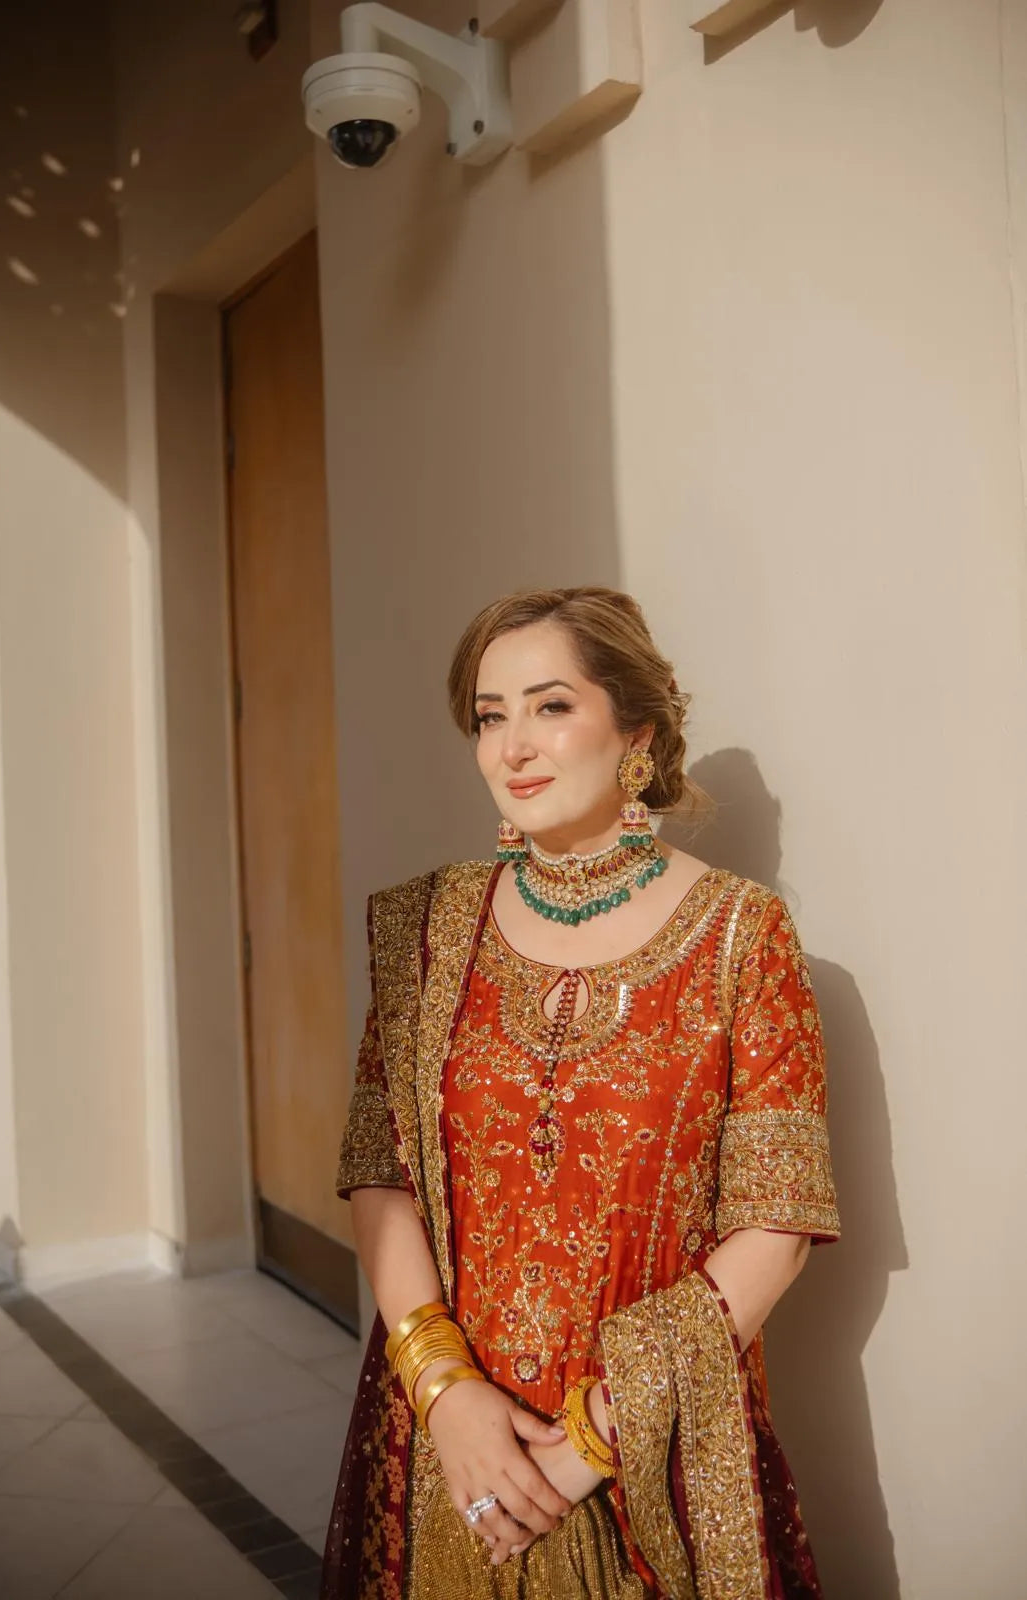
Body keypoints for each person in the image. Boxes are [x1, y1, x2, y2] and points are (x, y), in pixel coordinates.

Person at [321, 587, 840, 1600]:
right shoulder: (426, 929)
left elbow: (776, 1225)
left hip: (654, 1448)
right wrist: (445, 1392)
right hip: (445, 1443)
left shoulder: (741, 935)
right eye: (489, 714)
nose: (513, 744)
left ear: (633, 733)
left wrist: (579, 1449)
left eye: (550, 705)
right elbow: (379, 1173)